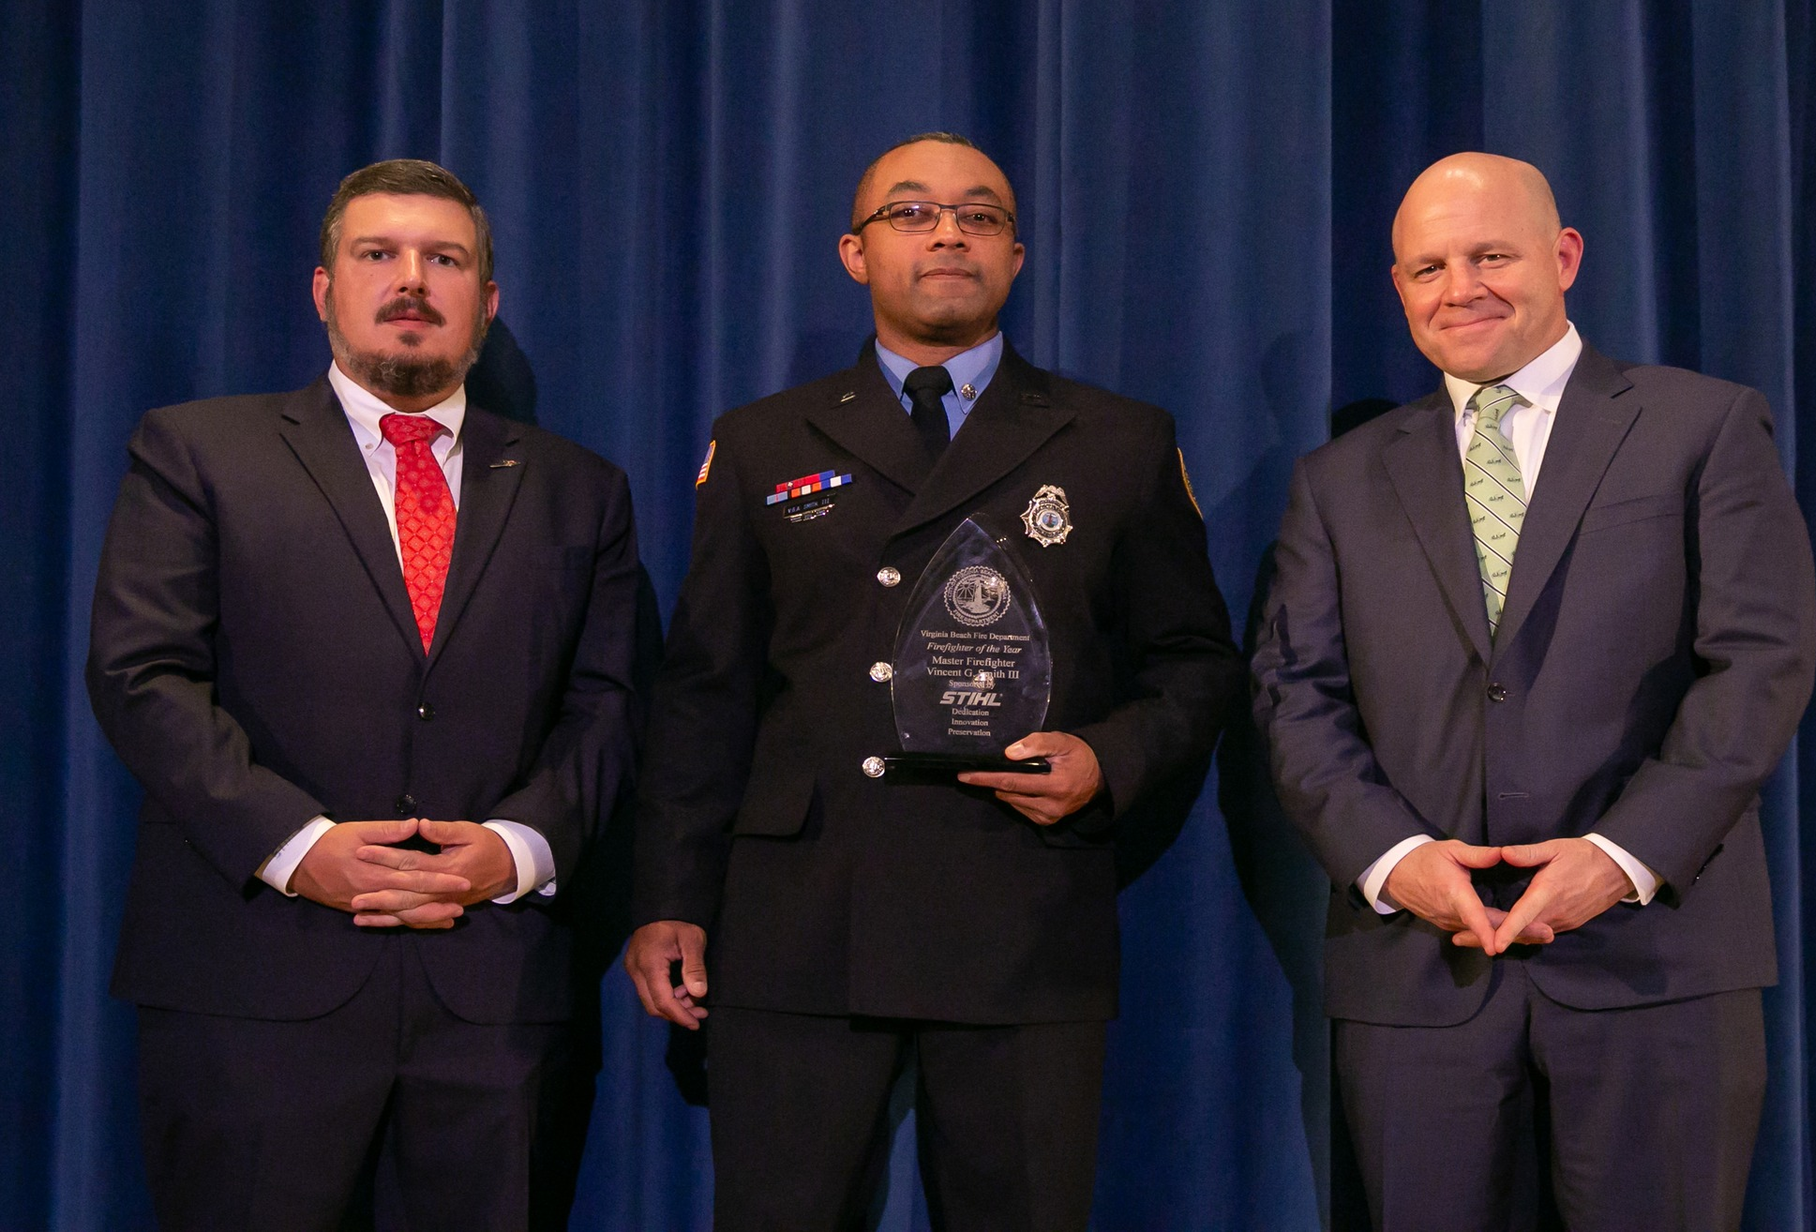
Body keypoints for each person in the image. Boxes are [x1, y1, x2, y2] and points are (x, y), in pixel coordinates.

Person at [626, 132, 1241, 1230]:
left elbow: (1195, 665)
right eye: (911, 213)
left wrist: (1110, 757)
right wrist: (673, 896)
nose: (949, 231)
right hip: (800, 922)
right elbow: (705, 690)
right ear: (855, 254)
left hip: (1021, 914)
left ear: (1016, 256)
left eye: (981, 214)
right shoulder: (764, 442)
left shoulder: (1117, 441)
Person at [1253, 151, 1816, 1231]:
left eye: (1489, 254)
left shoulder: (1703, 425)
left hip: (1658, 966)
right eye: (1427, 266)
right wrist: (1395, 859)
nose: (1457, 286)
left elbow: (1759, 663)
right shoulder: (1339, 480)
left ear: (1564, 257)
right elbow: (1295, 695)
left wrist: (1620, 857)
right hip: (1420, 978)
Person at [87, 158, 642, 1230]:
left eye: (445, 260)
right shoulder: (199, 452)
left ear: (486, 301)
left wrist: (516, 850)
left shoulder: (582, 488)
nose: (411, 281)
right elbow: (141, 674)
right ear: (322, 286)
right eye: (377, 254)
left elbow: (613, 704)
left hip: (498, 1001)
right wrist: (304, 846)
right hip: (253, 994)